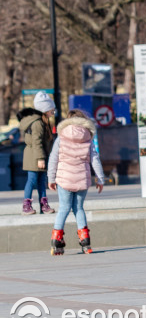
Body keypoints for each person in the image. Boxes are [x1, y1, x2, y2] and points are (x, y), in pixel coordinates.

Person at [47, 109, 104, 255]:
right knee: (78, 208)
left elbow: (53, 158)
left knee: (64, 208)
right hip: (81, 180)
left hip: (64, 180)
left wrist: (51, 178)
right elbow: (95, 159)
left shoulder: (61, 137)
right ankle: (85, 241)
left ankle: (56, 239)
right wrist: (100, 178)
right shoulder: (88, 138)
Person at [17, 91, 57, 216]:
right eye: (51, 109)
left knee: (41, 181)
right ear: (44, 108)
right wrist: (40, 158)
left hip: (39, 155)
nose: (53, 111)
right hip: (34, 156)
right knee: (32, 180)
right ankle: (26, 205)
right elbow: (37, 142)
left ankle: (43, 205)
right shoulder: (38, 123)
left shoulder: (43, 122)